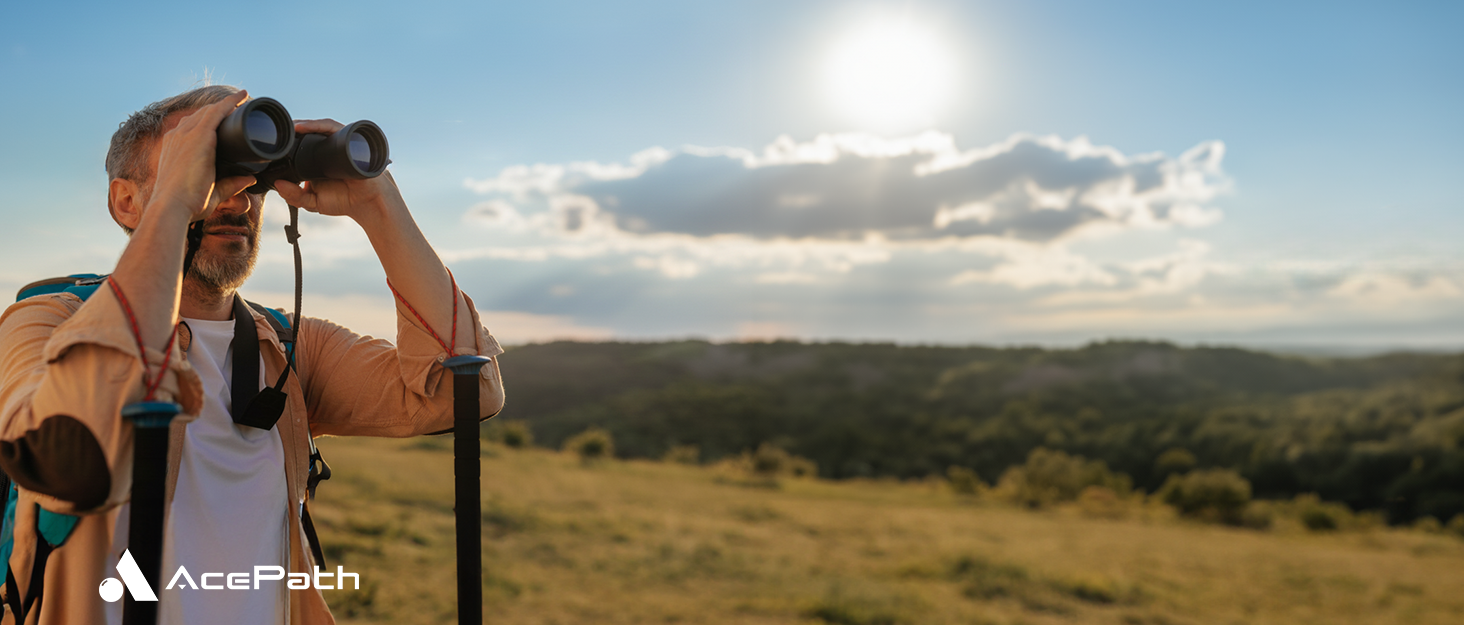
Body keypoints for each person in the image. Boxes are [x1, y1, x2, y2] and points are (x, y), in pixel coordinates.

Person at [0, 85, 506, 624]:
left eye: (252, 179)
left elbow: (463, 388)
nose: (236, 199)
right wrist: (175, 203)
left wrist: (379, 206)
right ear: (127, 202)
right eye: (207, 171)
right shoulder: (48, 322)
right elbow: (69, 462)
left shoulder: (287, 346)